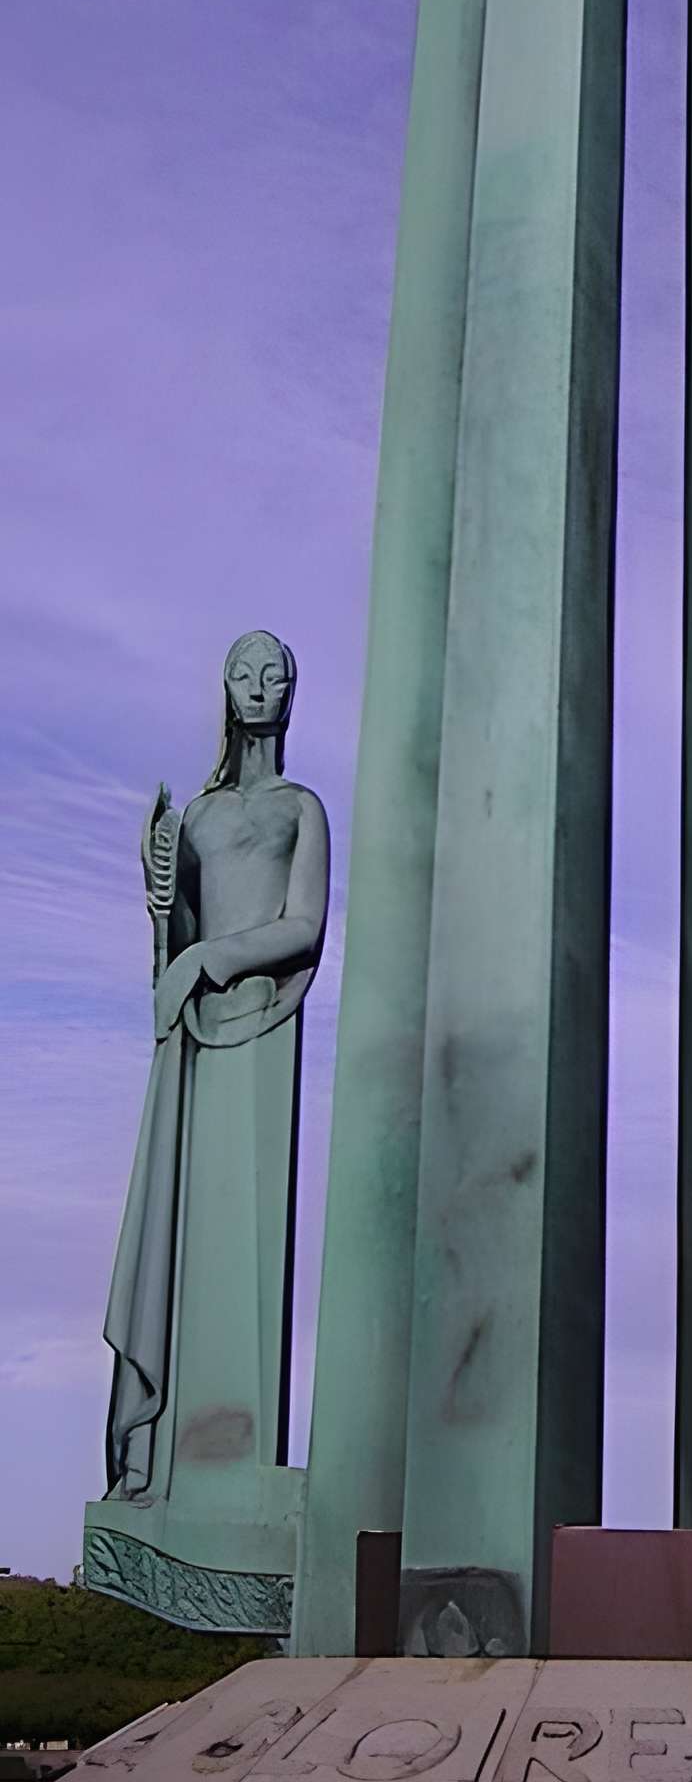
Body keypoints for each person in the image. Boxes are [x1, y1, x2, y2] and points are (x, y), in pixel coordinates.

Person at [103, 630, 329, 1506]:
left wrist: (211, 959)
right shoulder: (198, 816)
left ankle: (230, 1467)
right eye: (245, 674)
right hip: (195, 1043)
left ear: (290, 691)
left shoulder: (300, 807)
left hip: (264, 1026)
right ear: (227, 693)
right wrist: (163, 909)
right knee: (178, 1228)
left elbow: (303, 926)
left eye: (274, 674)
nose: (260, 686)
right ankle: (153, 1461)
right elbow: (173, 951)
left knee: (247, 1242)